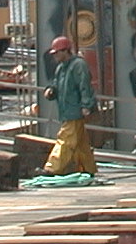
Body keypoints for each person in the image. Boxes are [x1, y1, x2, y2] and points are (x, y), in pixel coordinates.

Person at [41, 35, 98, 175]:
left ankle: (52, 168)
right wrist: (51, 91)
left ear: (65, 51)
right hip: (67, 110)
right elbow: (57, 84)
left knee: (65, 139)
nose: (55, 56)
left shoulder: (78, 65)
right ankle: (89, 169)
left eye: (57, 53)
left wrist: (86, 105)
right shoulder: (61, 68)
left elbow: (85, 86)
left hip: (74, 110)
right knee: (81, 143)